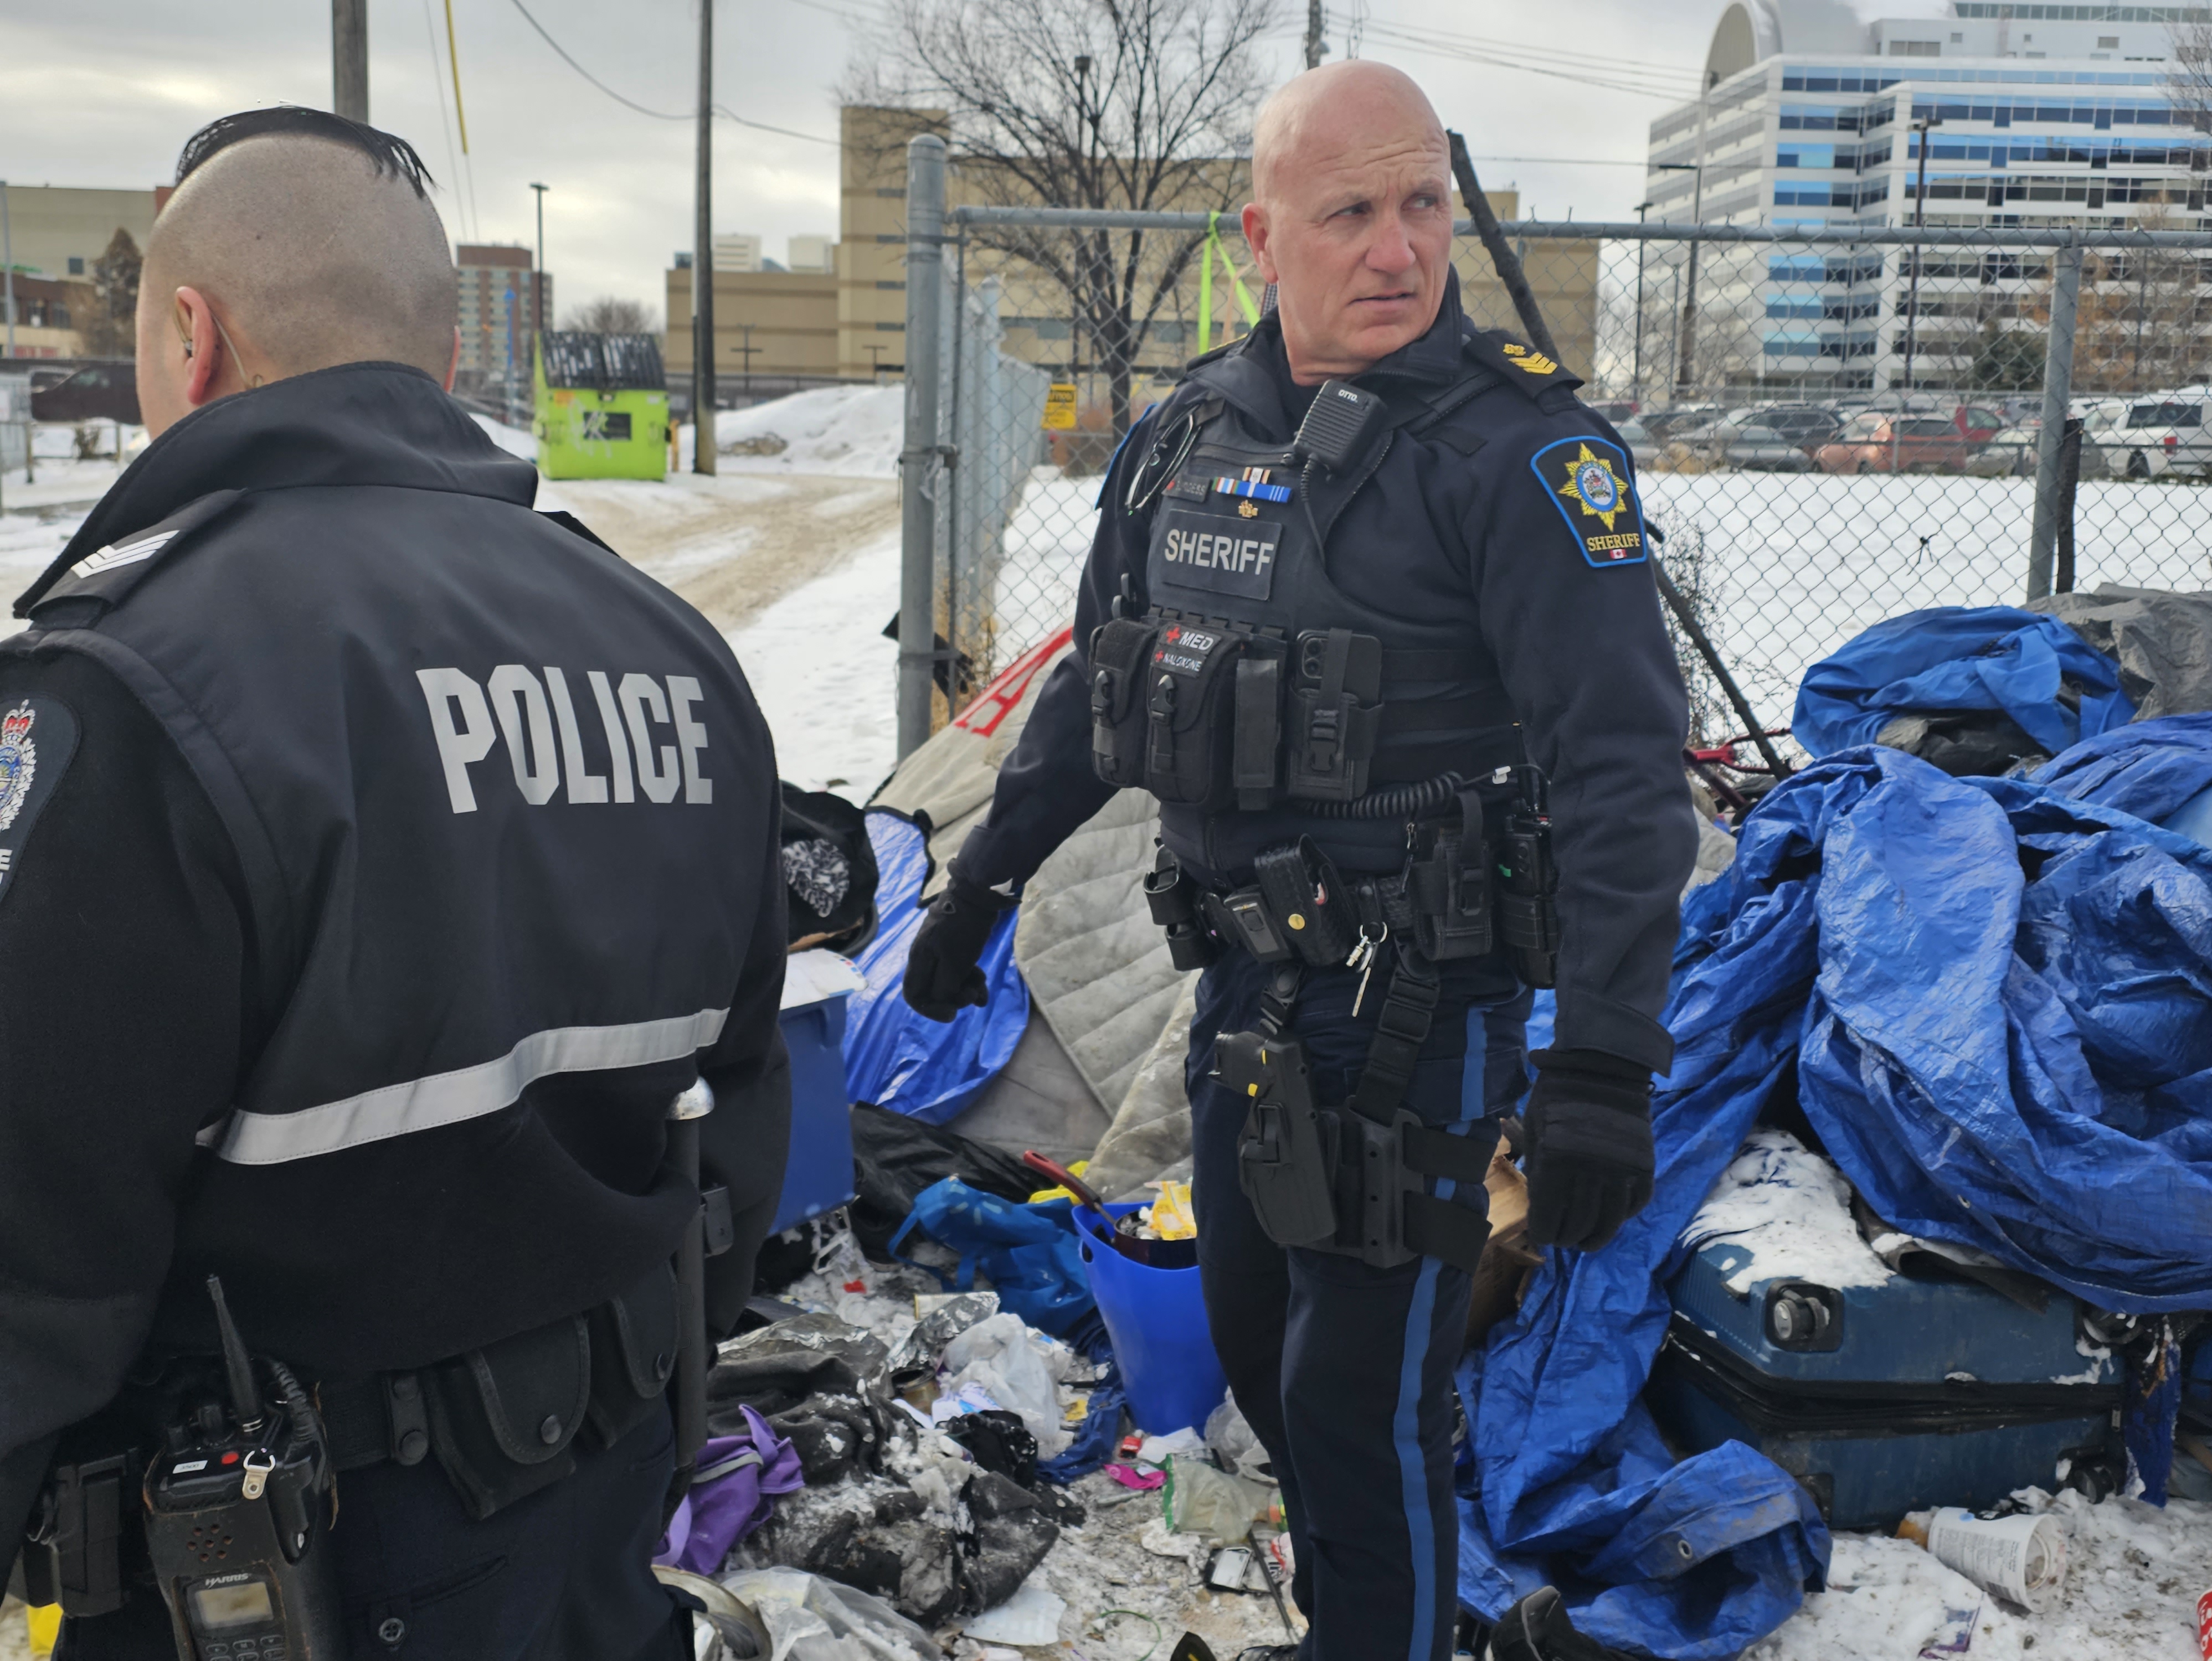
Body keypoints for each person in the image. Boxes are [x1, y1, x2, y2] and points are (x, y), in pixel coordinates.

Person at [903, 63, 1694, 1661]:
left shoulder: (1522, 463)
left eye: (1424, 205)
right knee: (1265, 1358)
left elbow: (1622, 776)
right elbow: (1101, 688)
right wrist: (983, 882)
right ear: (1262, 238)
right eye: (1352, 213)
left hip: (1420, 1019)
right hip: (1243, 1002)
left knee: (1357, 1406)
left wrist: (1606, 1060)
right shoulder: (1189, 436)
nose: (1401, 248)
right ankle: (1368, 1623)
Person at [0, 109, 790, 1659]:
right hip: (596, 1520)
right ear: (437, 367)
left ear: (191, 334)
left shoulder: (136, 681)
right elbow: (739, 1111)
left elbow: (33, 1232)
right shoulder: (669, 652)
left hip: (266, 1580)